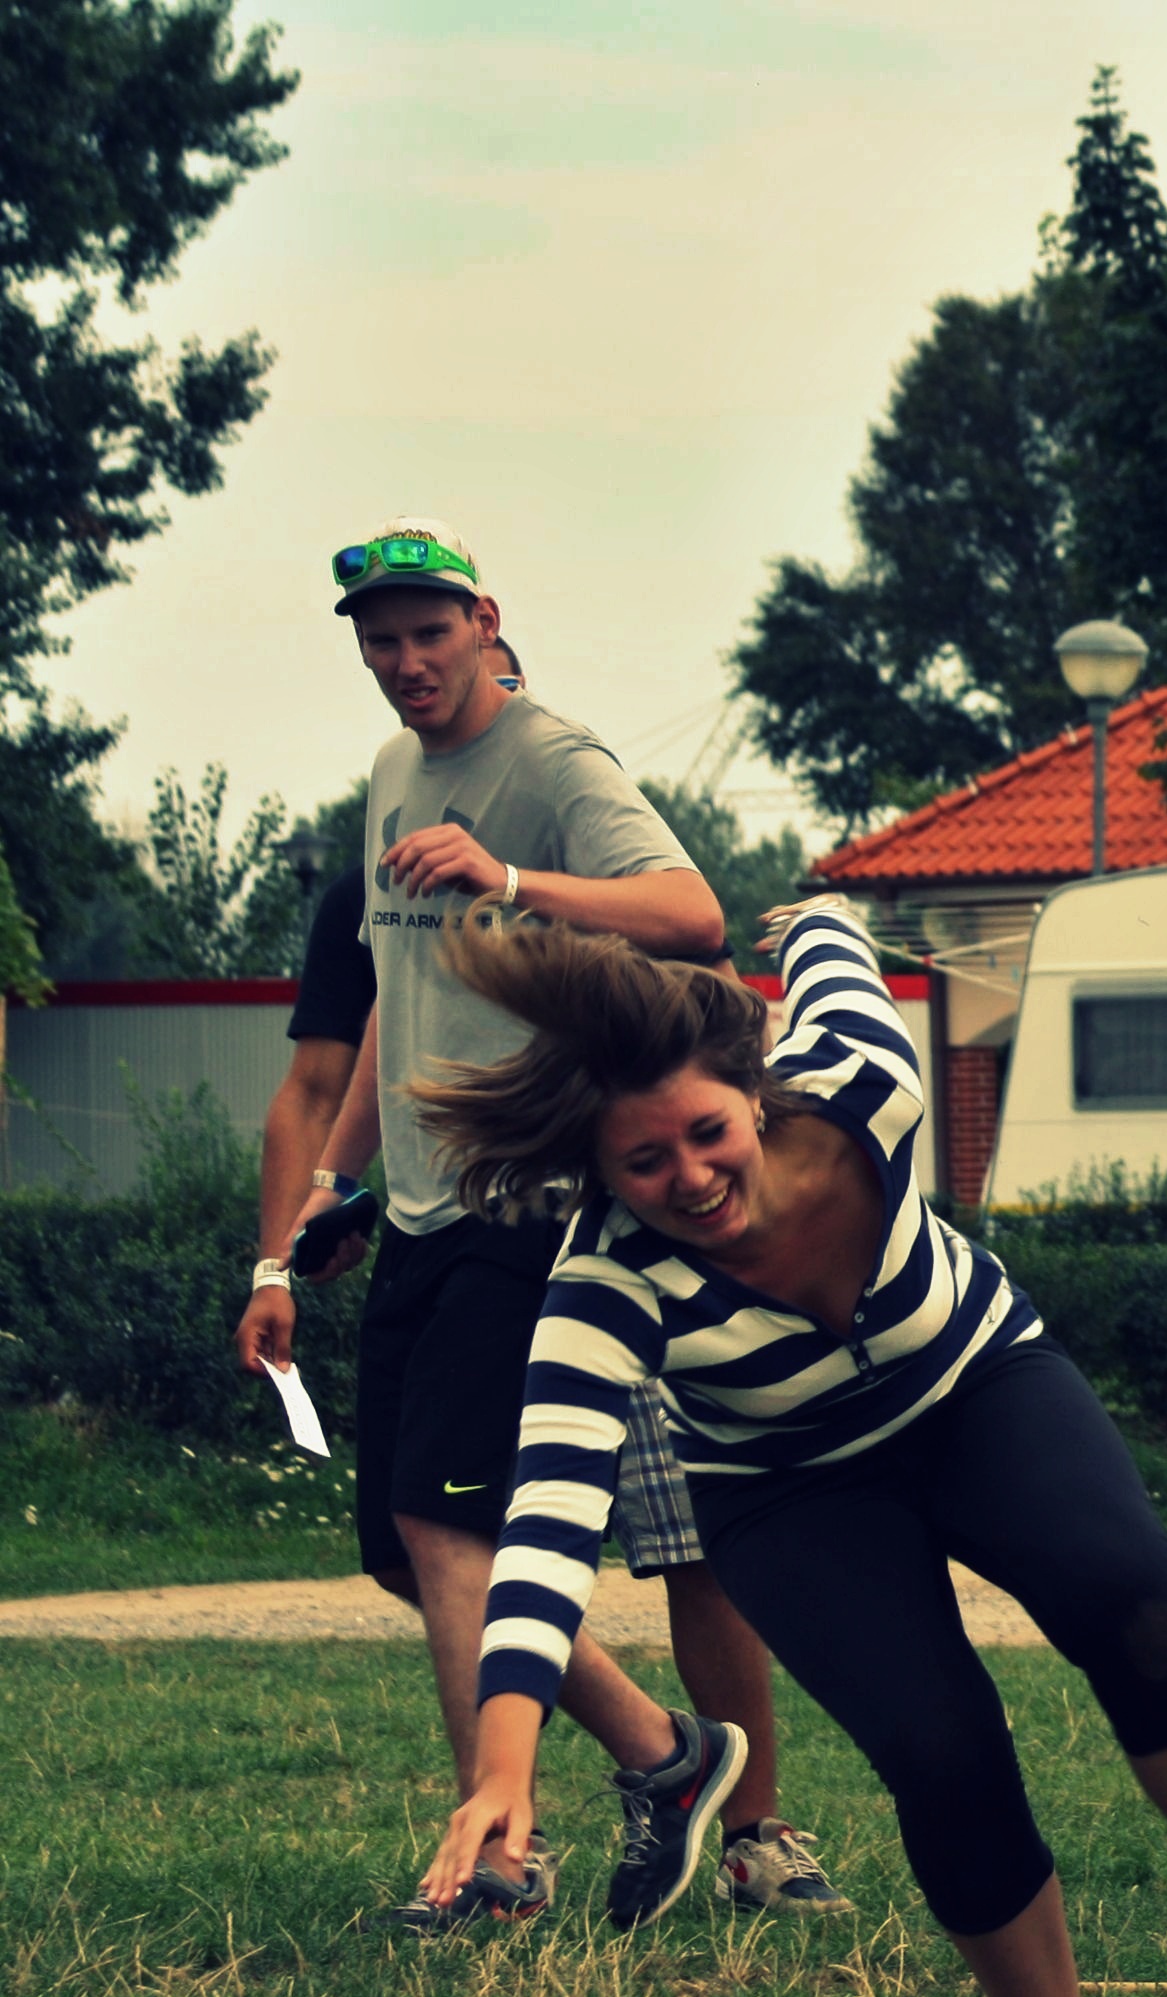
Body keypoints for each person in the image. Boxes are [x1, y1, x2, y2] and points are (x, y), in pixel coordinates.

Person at [412, 898, 1167, 1997]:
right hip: (784, 1488)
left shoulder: (866, 1088)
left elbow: (837, 964)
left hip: (976, 1389)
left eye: (707, 1133)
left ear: (754, 1096)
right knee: (940, 1752)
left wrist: (821, 917)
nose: (689, 1178)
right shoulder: (604, 1283)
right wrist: (504, 1769)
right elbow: (547, 1522)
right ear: (600, 1172)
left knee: (1130, 1604)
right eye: (643, 1163)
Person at [241, 677, 836, 1927]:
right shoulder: (391, 811)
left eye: (435, 635)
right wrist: (321, 1205)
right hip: (436, 1219)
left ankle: (719, 1832)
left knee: (670, 1539)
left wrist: (514, 882)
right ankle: (641, 1768)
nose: (413, 665)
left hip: (579, 1218)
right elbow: (380, 1037)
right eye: (385, 642)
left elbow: (700, 937)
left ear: (487, 639)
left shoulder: (560, 789)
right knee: (419, 1539)